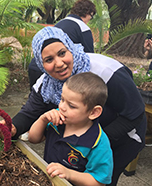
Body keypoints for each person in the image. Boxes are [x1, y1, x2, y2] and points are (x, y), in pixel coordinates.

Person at [8, 26, 147, 186]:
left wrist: (95, 143)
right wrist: (13, 127)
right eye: (49, 59)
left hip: (121, 136)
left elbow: (135, 112)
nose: (59, 63)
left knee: (103, 179)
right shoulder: (46, 82)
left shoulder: (106, 72)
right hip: (77, 139)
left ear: (70, 47)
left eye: (62, 53)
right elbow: (30, 112)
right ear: (41, 63)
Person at [29, 72, 113, 186]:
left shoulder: (97, 144)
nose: (62, 107)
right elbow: (33, 138)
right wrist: (42, 120)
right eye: (62, 99)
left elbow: (98, 181)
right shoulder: (57, 119)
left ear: (93, 112)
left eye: (71, 105)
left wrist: (69, 174)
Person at [28, 0, 96, 91]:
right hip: (52, 72)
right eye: (91, 16)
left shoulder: (60, 23)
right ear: (88, 13)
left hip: (35, 67)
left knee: (37, 100)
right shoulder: (83, 28)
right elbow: (88, 58)